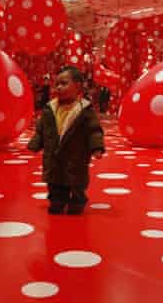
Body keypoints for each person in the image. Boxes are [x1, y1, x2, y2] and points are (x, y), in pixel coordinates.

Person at [28, 66, 105, 215]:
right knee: (54, 181)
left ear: (77, 86)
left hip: (76, 156)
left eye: (63, 83)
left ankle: (77, 202)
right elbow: (42, 129)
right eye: (56, 84)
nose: (58, 87)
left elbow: (94, 130)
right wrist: (35, 143)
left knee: (77, 182)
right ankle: (57, 201)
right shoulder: (50, 108)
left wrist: (97, 147)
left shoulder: (84, 109)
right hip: (54, 155)